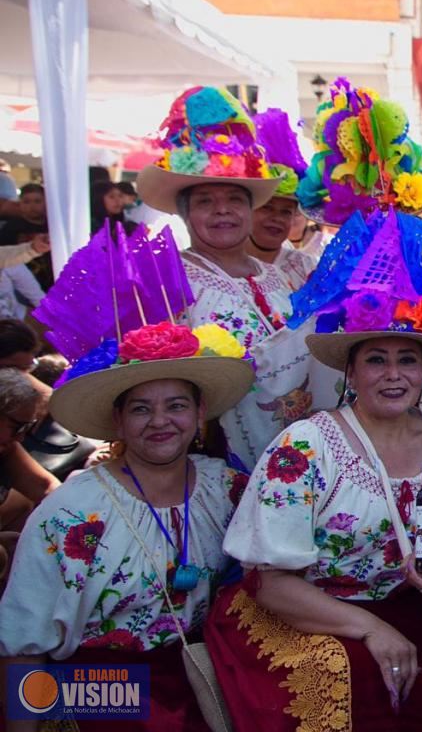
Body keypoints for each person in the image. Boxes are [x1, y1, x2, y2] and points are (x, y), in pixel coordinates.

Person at [206, 274, 422, 731]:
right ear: (351, 372)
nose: (393, 374)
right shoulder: (306, 446)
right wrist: (370, 628)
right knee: (357, 683)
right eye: (376, 360)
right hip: (307, 612)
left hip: (404, 608)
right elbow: (268, 583)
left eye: (407, 360)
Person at [0, 313, 254, 732]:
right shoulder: (70, 512)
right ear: (117, 420)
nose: (160, 421)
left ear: (200, 412)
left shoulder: (226, 488)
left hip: (199, 670)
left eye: (176, 405)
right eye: (141, 409)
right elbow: (23, 642)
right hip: (98, 686)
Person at [137, 86, 330, 465]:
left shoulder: (278, 277)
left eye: (235, 199)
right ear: (185, 213)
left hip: (305, 453)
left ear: (249, 208)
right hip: (216, 458)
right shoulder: (168, 281)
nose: (222, 210)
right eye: (206, 201)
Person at [247, 107, 317, 291]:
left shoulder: (306, 267)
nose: (276, 218)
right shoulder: (227, 267)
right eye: (267, 207)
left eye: (286, 212)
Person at [0, 369, 60, 534]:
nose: (20, 438)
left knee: (22, 503)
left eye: (27, 427)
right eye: (17, 427)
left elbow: (45, 486)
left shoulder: (7, 448)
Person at [0, 184, 52, 290]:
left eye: (37, 201)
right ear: (19, 204)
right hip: (23, 283)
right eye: (26, 202)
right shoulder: (11, 227)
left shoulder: (52, 226)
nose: (32, 206)